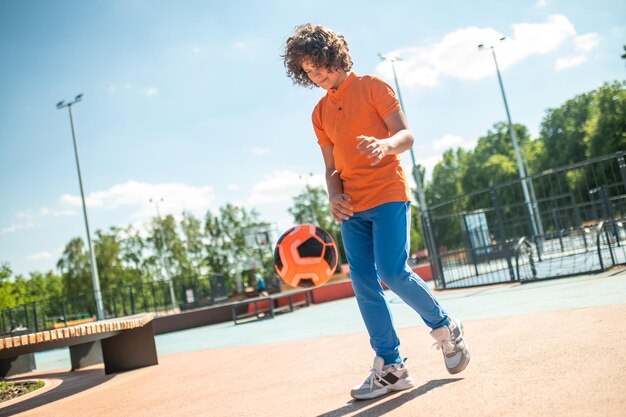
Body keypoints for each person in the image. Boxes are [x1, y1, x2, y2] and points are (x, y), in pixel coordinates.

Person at [282, 23, 470, 400]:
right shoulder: (319, 113)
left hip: (387, 194)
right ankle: (391, 366)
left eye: (316, 64)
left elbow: (406, 135)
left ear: (331, 53)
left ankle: (446, 328)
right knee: (364, 285)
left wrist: (386, 146)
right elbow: (330, 167)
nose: (314, 74)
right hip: (352, 208)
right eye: (306, 71)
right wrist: (334, 195)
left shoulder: (373, 87)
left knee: (392, 272)